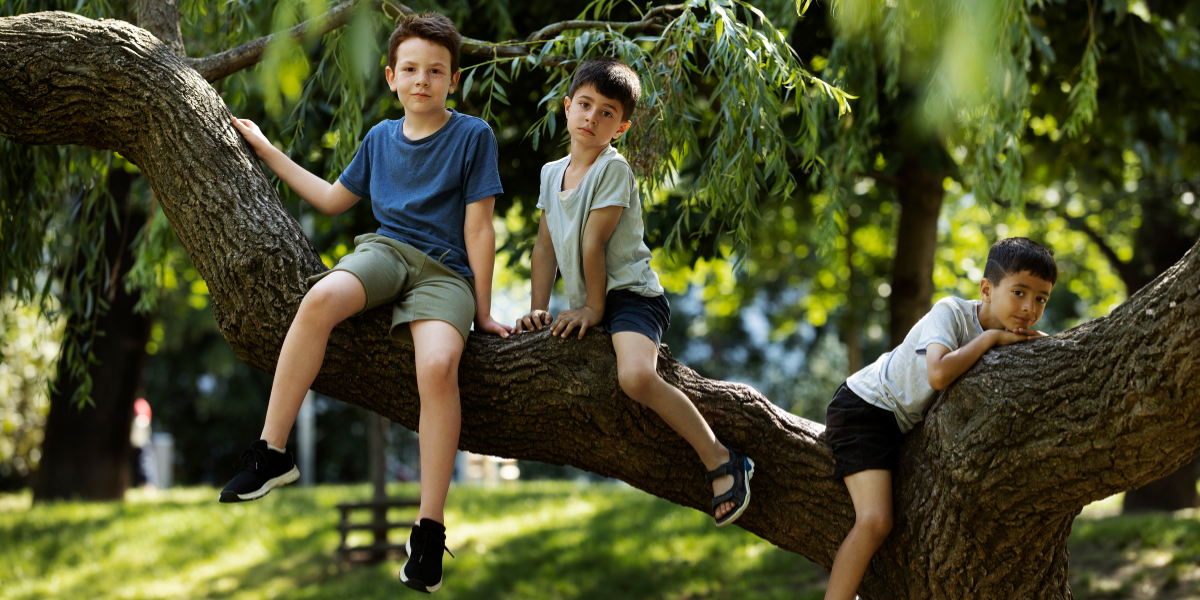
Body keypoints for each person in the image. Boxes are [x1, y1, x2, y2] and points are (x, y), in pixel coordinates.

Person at [224, 12, 511, 593]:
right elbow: (333, 200)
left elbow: (481, 230)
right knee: (321, 297)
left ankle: (429, 530)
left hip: (444, 272)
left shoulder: (473, 136)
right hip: (385, 252)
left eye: (436, 71)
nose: (422, 80)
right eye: (411, 69)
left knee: (436, 367)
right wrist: (265, 148)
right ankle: (271, 452)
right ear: (391, 77)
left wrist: (481, 310)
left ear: (453, 80)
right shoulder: (379, 139)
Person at [512, 56, 755, 527]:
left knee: (635, 378)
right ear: (566, 107)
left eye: (607, 112)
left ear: (620, 127)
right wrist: (538, 310)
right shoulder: (549, 173)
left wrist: (592, 309)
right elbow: (544, 249)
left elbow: (593, 242)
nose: (592, 117)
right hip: (590, 298)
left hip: (630, 297)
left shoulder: (613, 170)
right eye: (584, 104)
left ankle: (722, 458)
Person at [823, 237, 1057, 600]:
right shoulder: (951, 312)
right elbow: (938, 374)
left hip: (902, 423)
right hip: (865, 408)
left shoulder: (1015, 333)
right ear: (987, 289)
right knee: (876, 521)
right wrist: (992, 338)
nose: (1029, 308)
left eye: (1041, 298)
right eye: (1020, 292)